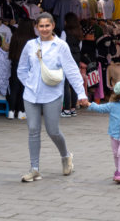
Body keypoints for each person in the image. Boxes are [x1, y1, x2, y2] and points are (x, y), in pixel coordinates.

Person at [17, 12, 89, 182]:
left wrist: (81, 93)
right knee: (33, 130)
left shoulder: (61, 46)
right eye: (41, 26)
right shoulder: (30, 45)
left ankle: (66, 156)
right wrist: (29, 84)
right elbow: (21, 69)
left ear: (53, 26)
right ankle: (34, 169)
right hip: (31, 95)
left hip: (53, 94)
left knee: (53, 130)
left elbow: (71, 70)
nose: (44, 29)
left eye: (47, 26)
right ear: (36, 27)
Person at [8, 19, 36, 120]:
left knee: (14, 88)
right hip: (28, 66)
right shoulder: (33, 38)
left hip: (15, 64)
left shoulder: (15, 36)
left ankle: (11, 111)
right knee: (24, 89)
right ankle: (21, 111)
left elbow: (11, 52)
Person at [61, 13, 83, 118]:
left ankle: (66, 110)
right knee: (74, 84)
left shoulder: (65, 32)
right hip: (76, 59)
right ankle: (73, 108)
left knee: (65, 85)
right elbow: (80, 46)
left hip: (66, 60)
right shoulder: (79, 33)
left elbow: (61, 46)